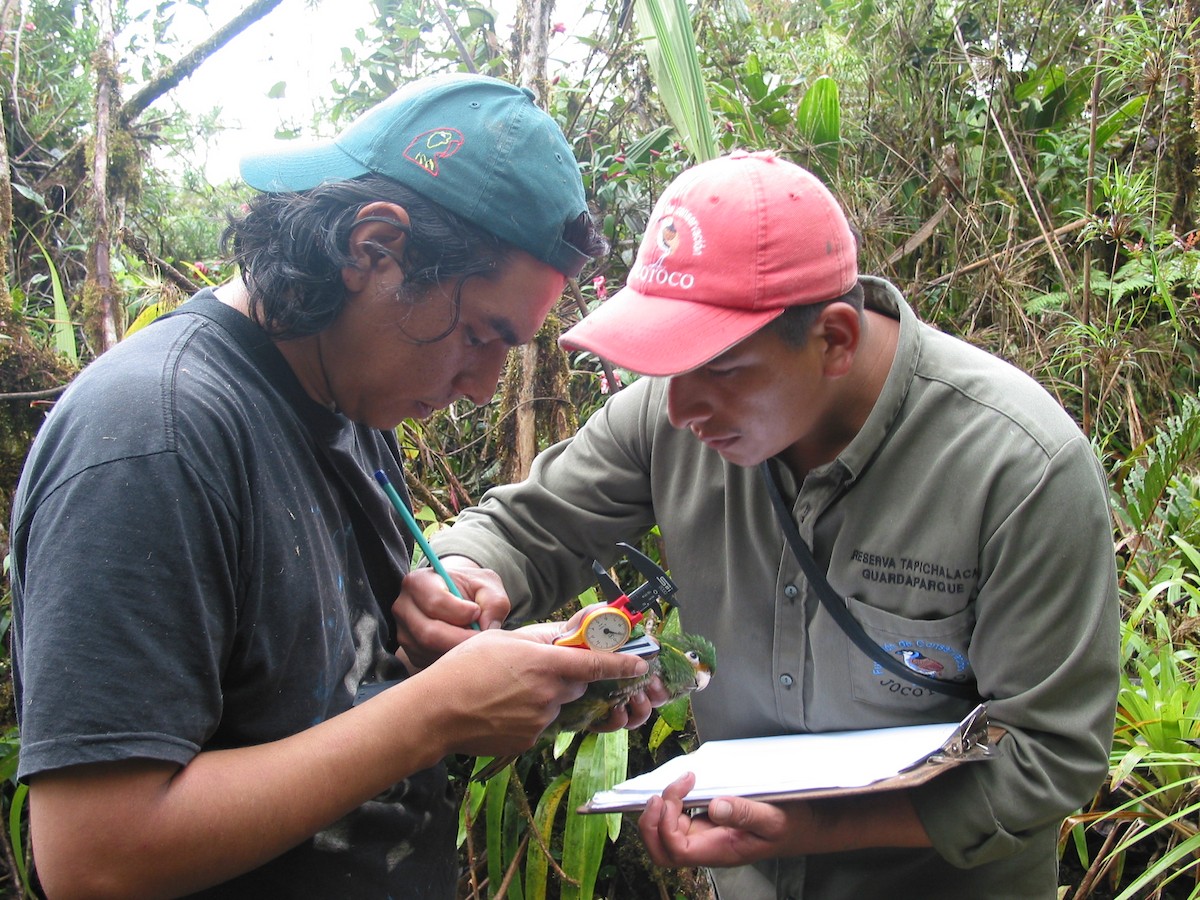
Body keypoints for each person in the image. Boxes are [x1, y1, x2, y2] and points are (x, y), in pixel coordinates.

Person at [396, 150, 1121, 898]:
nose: (679, 409)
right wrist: (464, 576)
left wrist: (817, 829)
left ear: (834, 338)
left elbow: (1050, 755)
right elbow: (530, 527)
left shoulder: (1019, 467)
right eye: (665, 366)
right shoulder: (670, 416)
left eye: (720, 367)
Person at [7, 73, 654, 898]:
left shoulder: (344, 400)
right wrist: (433, 715)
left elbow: (325, 705)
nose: (487, 385)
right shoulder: (155, 433)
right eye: (477, 335)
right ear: (373, 248)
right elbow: (94, 859)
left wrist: (455, 646)